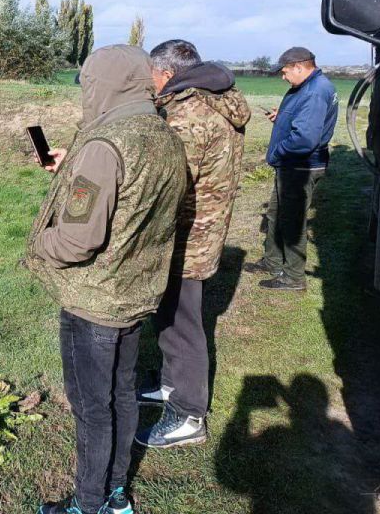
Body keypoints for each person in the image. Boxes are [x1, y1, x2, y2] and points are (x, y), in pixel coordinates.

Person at [25, 45, 187, 514]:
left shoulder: (105, 144)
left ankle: (89, 503)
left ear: (104, 85)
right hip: (136, 290)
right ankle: (117, 494)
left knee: (92, 407)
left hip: (94, 300)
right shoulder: (162, 135)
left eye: (88, 84)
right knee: (121, 392)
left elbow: (78, 240)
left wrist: (38, 245)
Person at [134, 40, 250, 449]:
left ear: (165, 73)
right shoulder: (217, 101)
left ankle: (188, 415)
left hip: (185, 239)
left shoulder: (187, 115)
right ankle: (169, 386)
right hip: (202, 232)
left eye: (150, 73)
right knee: (172, 316)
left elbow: (167, 184)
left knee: (183, 327)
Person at [244, 47, 338, 291]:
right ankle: (272, 262)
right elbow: (305, 121)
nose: (283, 77)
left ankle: (294, 278)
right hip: (292, 166)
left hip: (300, 167)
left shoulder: (315, 92)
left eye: (285, 72)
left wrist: (277, 152)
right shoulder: (308, 87)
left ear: (299, 66)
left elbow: (305, 139)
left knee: (293, 222)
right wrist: (282, 117)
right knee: (277, 214)